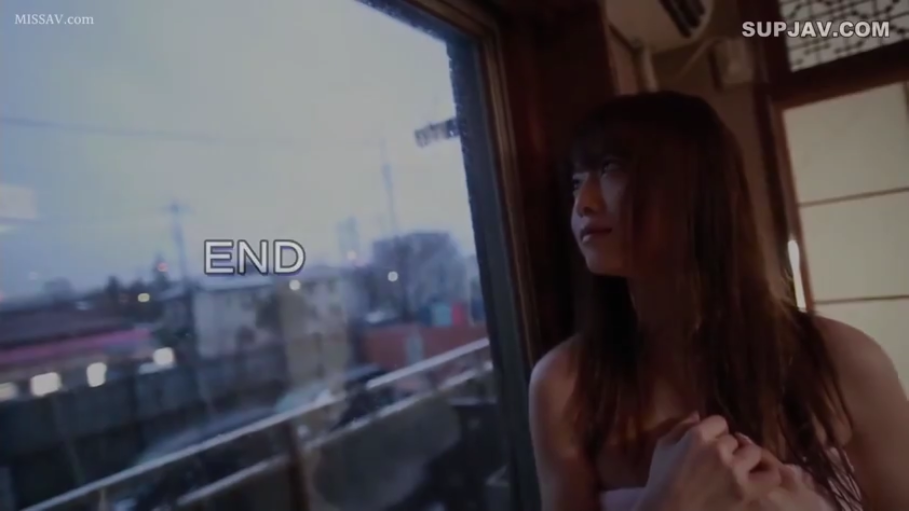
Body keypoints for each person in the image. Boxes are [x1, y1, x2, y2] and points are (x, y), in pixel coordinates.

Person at [528, 92, 909, 511]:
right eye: (576, 182)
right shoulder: (566, 384)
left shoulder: (841, 361)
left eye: (611, 169)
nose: (583, 203)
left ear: (695, 187)